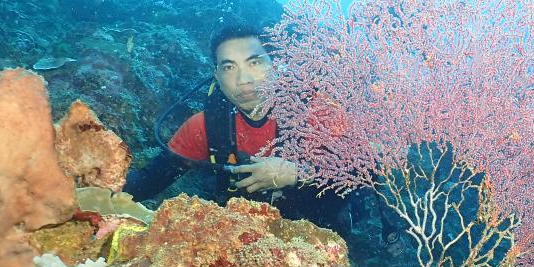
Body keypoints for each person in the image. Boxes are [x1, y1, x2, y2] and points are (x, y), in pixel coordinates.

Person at [124, 24, 359, 236]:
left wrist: (298, 174)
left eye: (254, 62)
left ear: (274, 64)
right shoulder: (205, 126)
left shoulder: (316, 113)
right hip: (243, 240)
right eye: (229, 67)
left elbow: (362, 176)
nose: (243, 79)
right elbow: (146, 183)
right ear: (216, 75)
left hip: (319, 238)